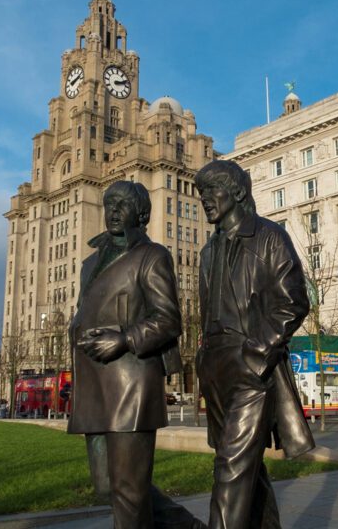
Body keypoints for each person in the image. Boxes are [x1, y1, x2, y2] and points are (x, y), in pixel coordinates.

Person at [68, 180, 203, 529]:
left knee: (128, 491)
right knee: (109, 486)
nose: (113, 211)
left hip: (131, 382)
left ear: (141, 213)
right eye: (109, 203)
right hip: (94, 384)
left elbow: (168, 319)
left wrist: (125, 338)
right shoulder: (89, 262)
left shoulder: (152, 255)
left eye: (123, 205)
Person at [195, 160, 314, 529]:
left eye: (212, 190)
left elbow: (293, 300)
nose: (205, 200)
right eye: (201, 194)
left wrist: (258, 353)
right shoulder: (207, 252)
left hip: (250, 366)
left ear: (238, 191)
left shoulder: (268, 236)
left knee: (230, 468)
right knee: (246, 467)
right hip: (215, 368)